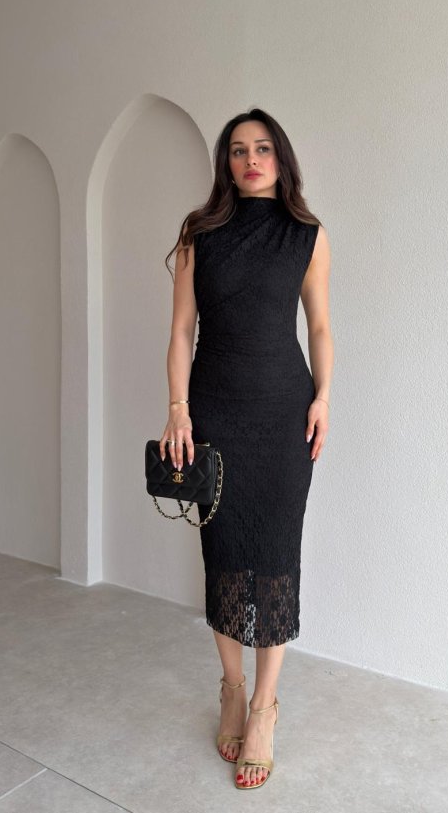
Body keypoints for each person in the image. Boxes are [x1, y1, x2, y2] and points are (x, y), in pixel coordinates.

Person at [159, 107, 333, 790]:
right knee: (225, 555)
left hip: (285, 414)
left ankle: (264, 706)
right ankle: (231, 687)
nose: (250, 159)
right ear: (225, 163)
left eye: (262, 148)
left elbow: (319, 326)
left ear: (279, 158)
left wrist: (323, 397)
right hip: (217, 415)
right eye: (237, 150)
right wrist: (178, 410)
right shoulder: (199, 234)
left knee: (277, 558)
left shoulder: (306, 235)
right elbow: (181, 331)